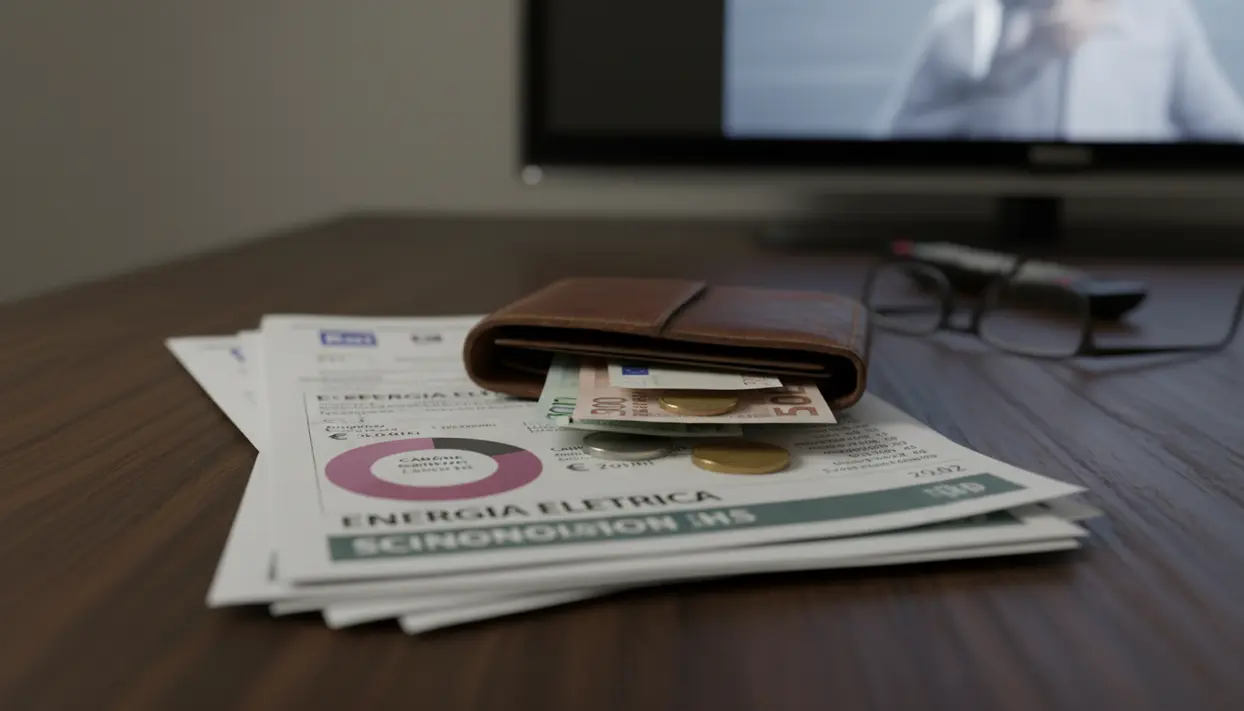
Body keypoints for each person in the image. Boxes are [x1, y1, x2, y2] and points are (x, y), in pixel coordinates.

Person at [878, 0, 1244, 141]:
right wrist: (1020, 62)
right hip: (991, 225)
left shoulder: (1163, 14)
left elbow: (1224, 129)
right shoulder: (960, 18)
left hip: (1134, 219)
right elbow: (903, 137)